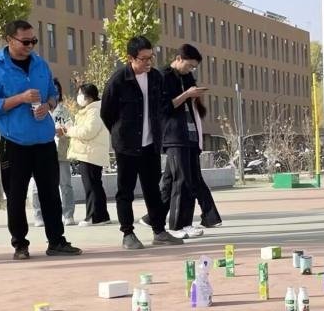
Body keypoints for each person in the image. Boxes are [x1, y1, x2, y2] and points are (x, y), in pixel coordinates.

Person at [0, 20, 82, 260]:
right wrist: (20, 98)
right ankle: (20, 244)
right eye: (25, 42)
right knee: (16, 196)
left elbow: (53, 94)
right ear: (9, 40)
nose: (30, 46)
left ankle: (56, 241)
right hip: (14, 142)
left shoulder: (40, 64)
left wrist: (48, 105)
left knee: (51, 194)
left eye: (33, 41)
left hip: (44, 140)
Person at [100, 36, 183, 249]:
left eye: (150, 57)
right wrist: (120, 133)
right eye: (143, 59)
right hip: (127, 146)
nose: (148, 62)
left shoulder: (156, 77)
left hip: (150, 145)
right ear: (130, 58)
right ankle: (128, 234)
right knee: (125, 191)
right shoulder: (119, 80)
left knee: (152, 190)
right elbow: (106, 113)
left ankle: (159, 231)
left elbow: (161, 107)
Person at [157, 44, 220, 238]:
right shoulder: (163, 76)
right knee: (180, 180)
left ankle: (178, 222)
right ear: (178, 58)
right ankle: (176, 225)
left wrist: (194, 96)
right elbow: (164, 107)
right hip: (174, 135)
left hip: (190, 134)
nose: (191, 69)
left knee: (188, 180)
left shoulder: (187, 77)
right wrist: (186, 95)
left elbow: (192, 106)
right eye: (189, 65)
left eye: (194, 67)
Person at [64, 83, 112, 226]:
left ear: (89, 96)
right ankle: (102, 216)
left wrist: (70, 130)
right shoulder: (91, 110)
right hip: (89, 152)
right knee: (95, 185)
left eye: (80, 94)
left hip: (90, 153)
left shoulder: (94, 111)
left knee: (91, 186)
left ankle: (93, 217)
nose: (78, 97)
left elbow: (88, 132)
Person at [31, 78, 75, 227]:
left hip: (61, 153)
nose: (55, 94)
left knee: (65, 185)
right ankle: (39, 216)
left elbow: (71, 127)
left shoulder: (64, 111)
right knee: (37, 186)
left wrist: (63, 131)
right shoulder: (37, 109)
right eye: (52, 91)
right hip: (40, 152)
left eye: (57, 92)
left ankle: (68, 214)